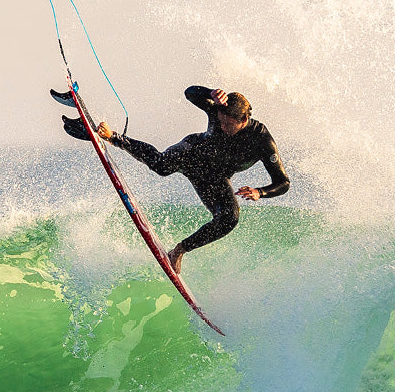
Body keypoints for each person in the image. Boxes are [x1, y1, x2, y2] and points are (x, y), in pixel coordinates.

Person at [53, 85, 290, 273]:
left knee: (229, 218)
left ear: (243, 120)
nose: (223, 126)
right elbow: (189, 93)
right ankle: (114, 137)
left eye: (229, 124)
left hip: (214, 179)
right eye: (220, 121)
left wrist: (260, 192)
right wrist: (210, 93)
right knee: (161, 165)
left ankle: (179, 250)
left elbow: (283, 183)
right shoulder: (218, 110)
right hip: (193, 152)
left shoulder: (262, 140)